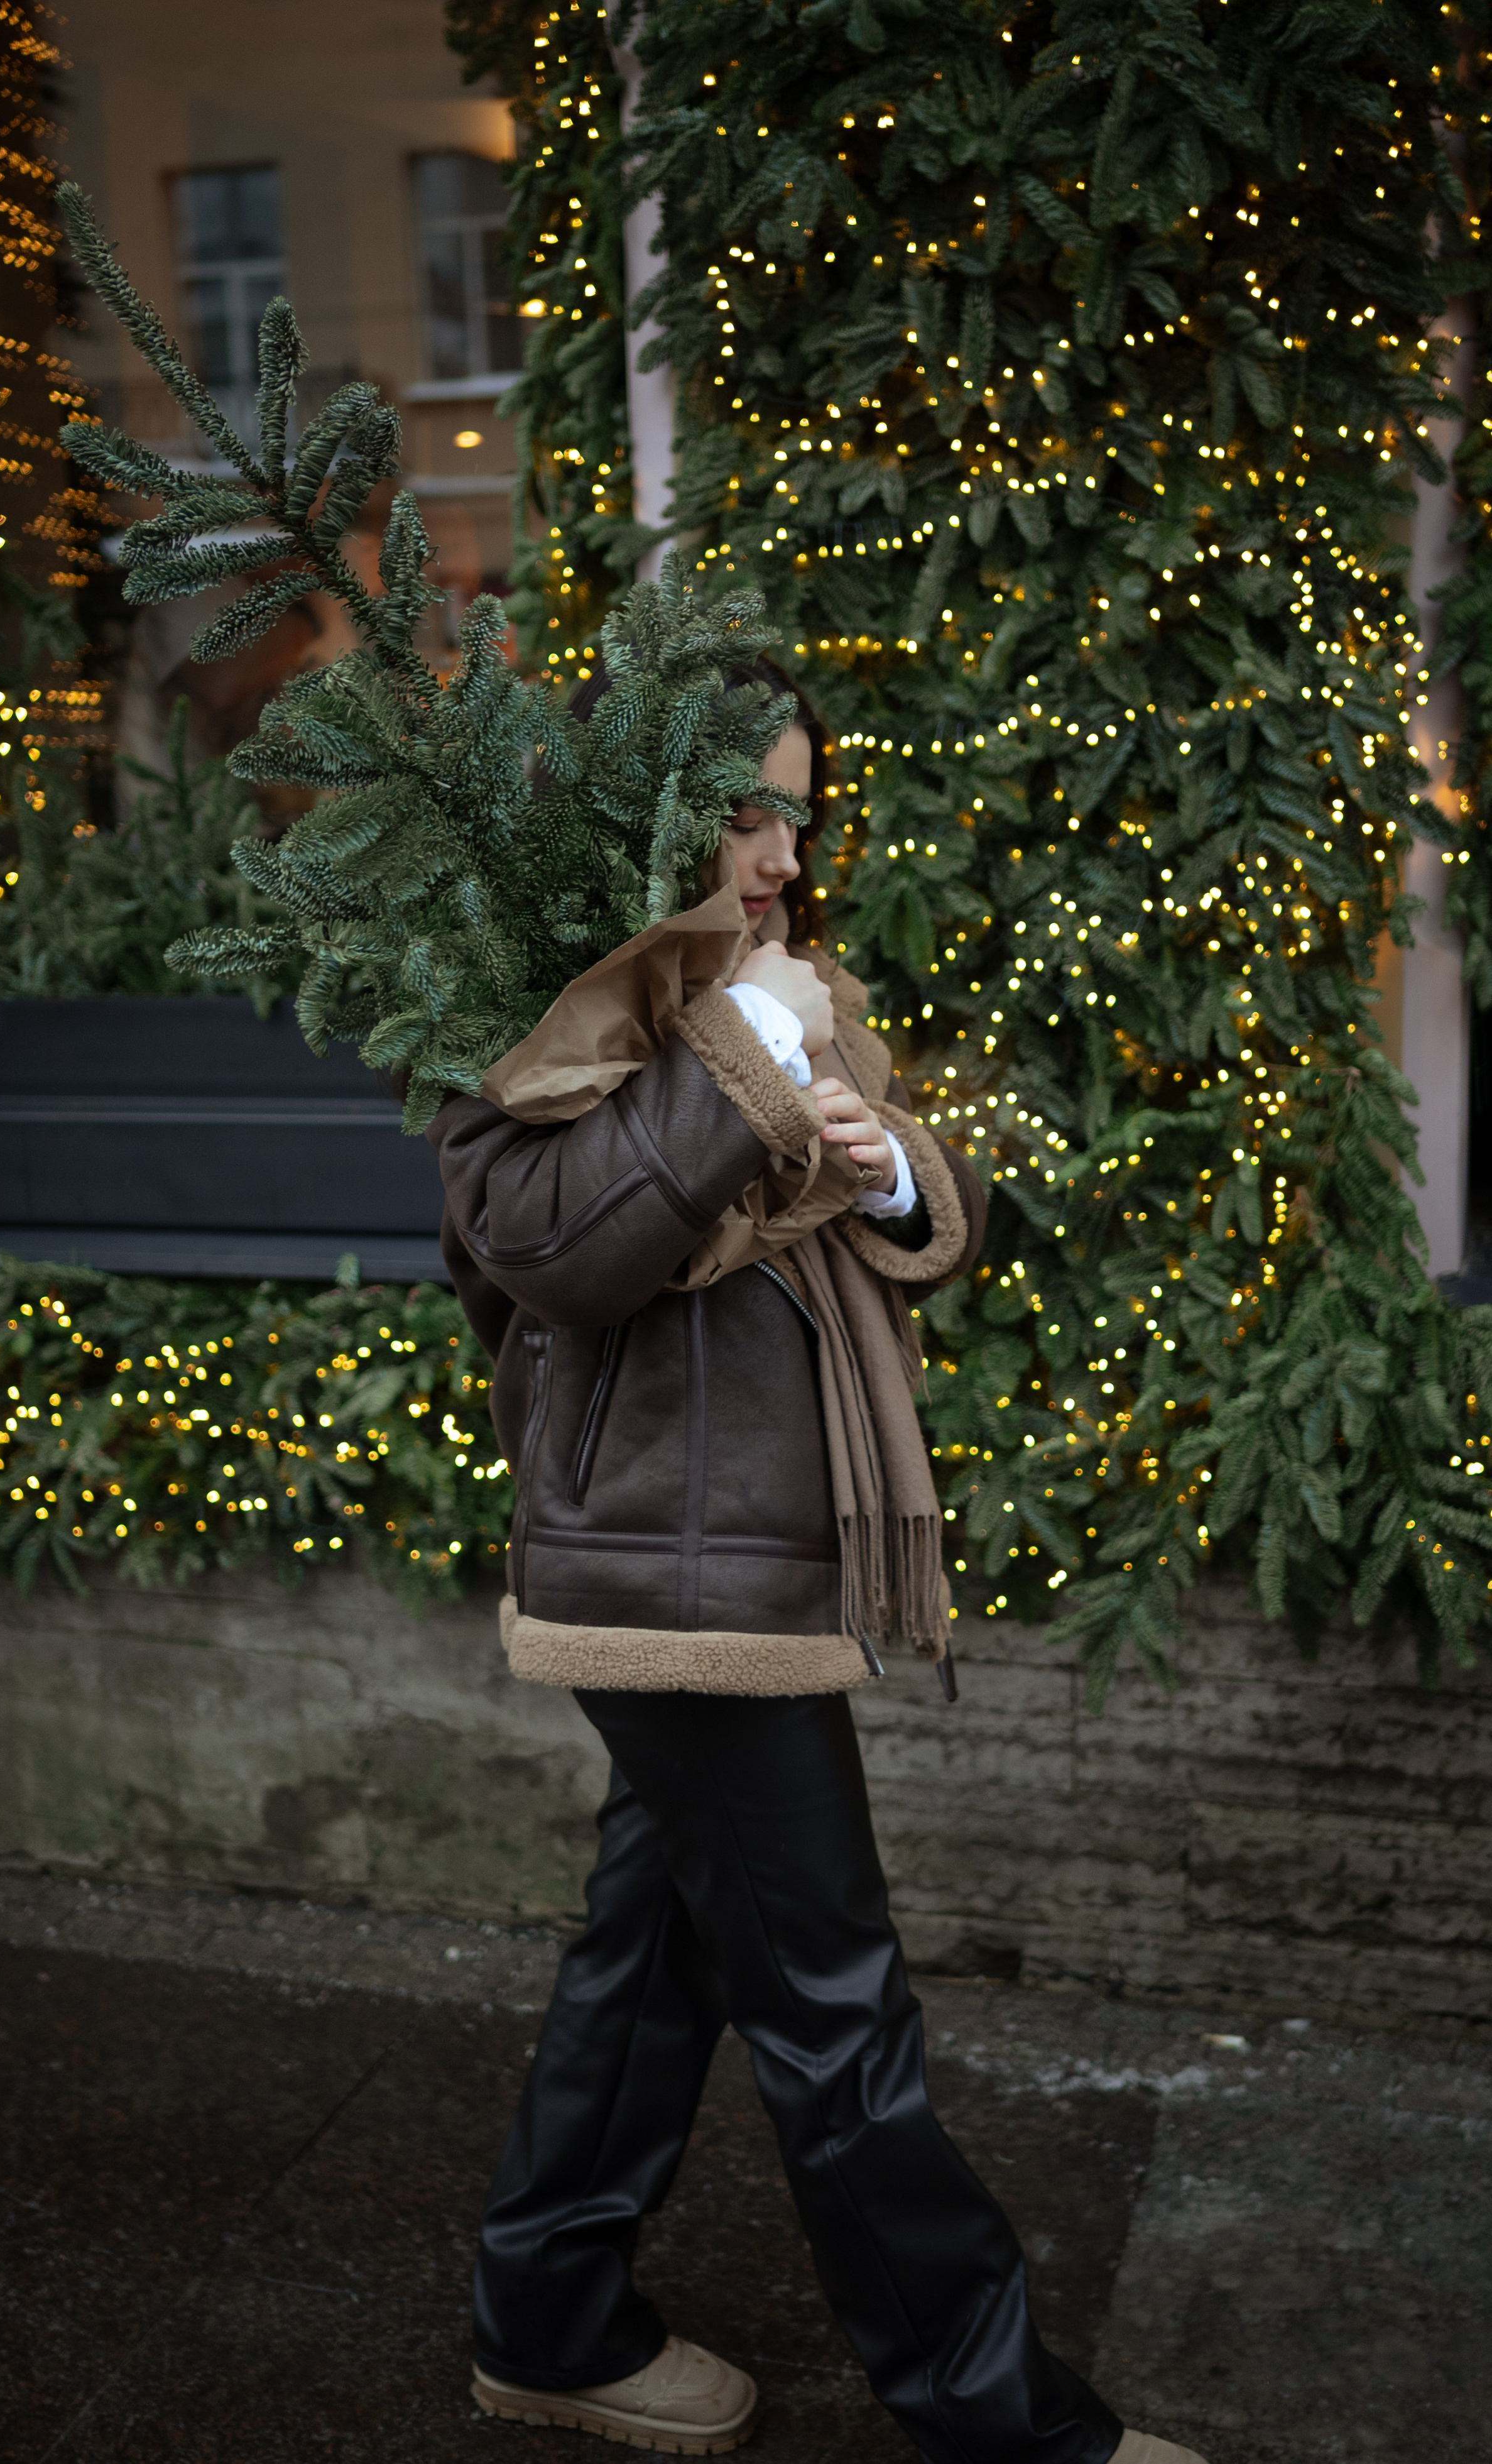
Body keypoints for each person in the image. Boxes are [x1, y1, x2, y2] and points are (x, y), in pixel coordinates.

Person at [427, 668, 1207, 2464]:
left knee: (658, 1958)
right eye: (742, 815)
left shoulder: (778, 994)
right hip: (670, 1581)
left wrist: (882, 1168)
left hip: (752, 1561)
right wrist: (753, 1068)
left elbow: (911, 1205)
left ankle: (548, 2318)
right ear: (645, 819)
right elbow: (550, 1248)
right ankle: (1000, 2417)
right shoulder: (542, 1004)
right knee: (835, 2008)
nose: (781, 854)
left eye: (796, 812)